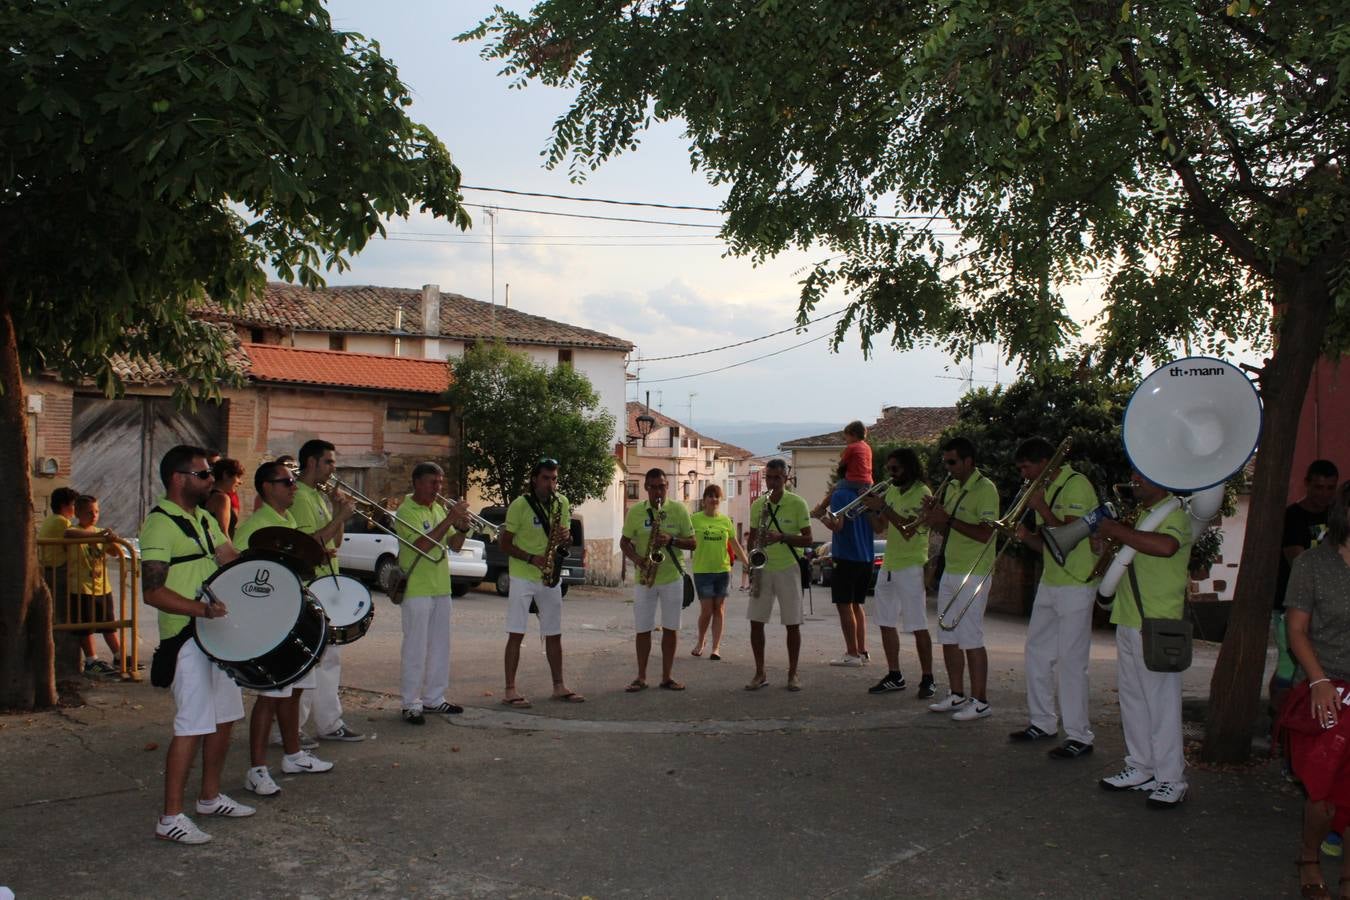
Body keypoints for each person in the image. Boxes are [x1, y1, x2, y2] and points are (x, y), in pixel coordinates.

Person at [139, 445, 254, 844]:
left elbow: (230, 557)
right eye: (203, 475)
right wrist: (201, 611)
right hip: (186, 638)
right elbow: (152, 592)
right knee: (191, 724)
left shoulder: (204, 518)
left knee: (224, 717)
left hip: (215, 634)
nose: (211, 480)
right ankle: (170, 817)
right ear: (179, 479)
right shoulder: (159, 525)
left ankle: (209, 797)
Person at [1095, 469, 1192, 808]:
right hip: (1128, 617)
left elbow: (1167, 547)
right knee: (1134, 700)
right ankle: (1141, 766)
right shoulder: (1144, 515)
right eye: (1132, 473)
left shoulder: (1176, 513)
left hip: (1158, 621)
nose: (1134, 479)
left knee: (1162, 705)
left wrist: (1118, 531)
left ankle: (1171, 779)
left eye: (1142, 475)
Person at [236, 461, 333, 797]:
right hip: (269, 624)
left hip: (292, 615)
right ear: (267, 488)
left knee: (294, 690)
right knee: (269, 695)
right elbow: (244, 578)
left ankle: (293, 755)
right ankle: (257, 769)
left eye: (293, 481)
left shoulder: (286, 520)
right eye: (286, 482)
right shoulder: (256, 527)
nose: (294, 486)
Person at [1008, 438, 1101, 759]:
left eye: (1026, 467)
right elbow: (1049, 543)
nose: (1023, 474)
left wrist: (1042, 508)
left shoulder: (1076, 485)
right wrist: (1023, 537)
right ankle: (1043, 721)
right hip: (1051, 579)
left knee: (1071, 662)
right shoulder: (1043, 491)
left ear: (1044, 462)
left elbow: (1073, 535)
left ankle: (1080, 735)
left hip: (1076, 582)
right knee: (1036, 651)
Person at [1281, 480, 1350, 899]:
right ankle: (1309, 855)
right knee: (1323, 793)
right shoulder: (1313, 564)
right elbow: (1296, 630)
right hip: (1327, 686)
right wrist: (1320, 682)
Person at [922, 437, 1000, 721]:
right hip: (952, 569)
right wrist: (935, 518)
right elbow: (947, 529)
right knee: (948, 635)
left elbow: (986, 533)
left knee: (971, 636)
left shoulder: (986, 489)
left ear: (968, 461)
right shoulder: (953, 487)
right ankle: (956, 694)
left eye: (952, 462)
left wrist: (948, 519)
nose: (948, 468)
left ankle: (980, 700)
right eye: (945, 462)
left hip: (974, 571)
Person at [499, 458, 585, 707]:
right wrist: (530, 557)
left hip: (549, 574)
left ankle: (559, 686)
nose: (551, 484)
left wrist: (566, 538)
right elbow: (504, 543)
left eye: (554, 479)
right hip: (523, 574)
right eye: (546, 478)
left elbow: (565, 541)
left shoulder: (562, 503)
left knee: (554, 633)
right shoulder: (520, 505)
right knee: (516, 632)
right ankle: (510, 690)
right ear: (535, 478)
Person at [290, 439, 359, 742]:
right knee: (307, 661)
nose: (333, 469)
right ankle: (292, 729)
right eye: (329, 462)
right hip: (309, 585)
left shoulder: (318, 496)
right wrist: (341, 516)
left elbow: (335, 541)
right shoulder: (299, 497)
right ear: (312, 463)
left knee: (330, 658)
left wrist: (338, 511)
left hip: (327, 585)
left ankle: (329, 723)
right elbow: (308, 545)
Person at [393, 462, 471, 724]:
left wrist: (461, 527)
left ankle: (434, 698)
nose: (437, 488)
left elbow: (455, 546)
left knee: (440, 646)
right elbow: (422, 545)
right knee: (415, 647)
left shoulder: (438, 508)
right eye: (431, 482)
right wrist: (450, 519)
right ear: (416, 482)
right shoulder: (406, 511)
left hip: (441, 586)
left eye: (440, 482)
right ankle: (410, 702)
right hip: (416, 587)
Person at [863, 448, 935, 697]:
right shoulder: (892, 491)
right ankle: (895, 674)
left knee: (917, 624)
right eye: (889, 469)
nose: (891, 474)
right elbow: (881, 527)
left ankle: (928, 678)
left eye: (895, 469)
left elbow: (907, 529)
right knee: (885, 621)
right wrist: (871, 509)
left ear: (909, 467)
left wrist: (883, 505)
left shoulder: (923, 493)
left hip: (912, 564)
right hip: (890, 564)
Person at [1273, 459, 1341, 710]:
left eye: (1330, 488)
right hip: (1291, 604)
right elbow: (1296, 561)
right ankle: (1280, 721)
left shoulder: (1337, 516)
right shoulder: (1293, 517)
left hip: (1328, 608)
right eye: (1319, 487)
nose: (1324, 494)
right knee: (1288, 667)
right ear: (1307, 484)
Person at [620, 468, 696, 691]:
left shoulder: (678, 510)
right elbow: (624, 543)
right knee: (643, 628)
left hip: (672, 576)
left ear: (667, 486)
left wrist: (671, 540)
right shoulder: (636, 512)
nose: (657, 492)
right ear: (646, 488)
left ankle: (667, 676)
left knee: (671, 628)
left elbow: (693, 543)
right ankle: (641, 677)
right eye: (653, 487)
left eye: (661, 486)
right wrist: (638, 560)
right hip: (645, 577)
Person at [744, 458, 813, 692]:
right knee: (756, 622)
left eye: (776, 478)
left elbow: (808, 539)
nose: (772, 482)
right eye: (768, 477)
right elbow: (752, 537)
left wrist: (782, 537)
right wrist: (751, 563)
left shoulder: (797, 503)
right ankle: (759, 672)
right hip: (763, 568)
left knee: (792, 623)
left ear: (785, 478)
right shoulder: (758, 505)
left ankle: (793, 674)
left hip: (788, 567)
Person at [817, 475, 874, 667]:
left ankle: (852, 653)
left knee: (844, 605)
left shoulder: (839, 494)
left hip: (846, 556)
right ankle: (862, 650)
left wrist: (821, 516)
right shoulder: (866, 492)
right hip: (866, 556)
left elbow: (837, 526)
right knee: (857, 605)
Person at [690, 484, 749, 660]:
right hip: (702, 571)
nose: (714, 499)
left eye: (717, 496)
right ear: (704, 500)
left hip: (723, 570)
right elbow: (685, 538)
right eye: (710, 496)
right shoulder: (694, 519)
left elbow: (735, 544)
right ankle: (701, 641)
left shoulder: (725, 521)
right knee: (706, 610)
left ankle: (716, 647)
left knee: (720, 609)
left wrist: (747, 563)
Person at [68, 495, 125, 677]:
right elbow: (69, 534)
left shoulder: (100, 532)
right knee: (86, 625)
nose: (94, 515)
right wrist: (97, 536)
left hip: (102, 586)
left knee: (109, 623)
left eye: (96, 511)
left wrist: (113, 540)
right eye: (89, 512)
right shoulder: (74, 530)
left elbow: (116, 553)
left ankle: (119, 655)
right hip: (82, 586)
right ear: (77, 513)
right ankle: (91, 659)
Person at [37, 486, 80, 603]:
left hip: (47, 569)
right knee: (61, 604)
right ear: (64, 506)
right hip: (58, 570)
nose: (76, 509)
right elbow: (74, 534)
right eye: (74, 505)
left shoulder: (50, 519)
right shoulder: (62, 521)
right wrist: (99, 534)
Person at [205, 458, 244, 539]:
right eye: (238, 476)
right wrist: (233, 551)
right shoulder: (222, 498)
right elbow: (223, 534)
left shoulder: (206, 494)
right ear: (226, 475)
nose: (240, 482)